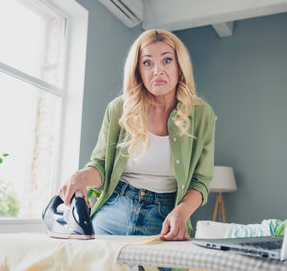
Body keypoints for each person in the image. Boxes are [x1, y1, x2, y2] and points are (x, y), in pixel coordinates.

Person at [59, 29, 216, 241]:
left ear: (180, 68)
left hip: (166, 217)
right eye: (147, 63)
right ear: (138, 71)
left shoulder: (201, 114)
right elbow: (101, 165)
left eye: (167, 60)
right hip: (115, 208)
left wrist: (181, 213)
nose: (157, 71)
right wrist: (79, 177)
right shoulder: (118, 109)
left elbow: (201, 182)